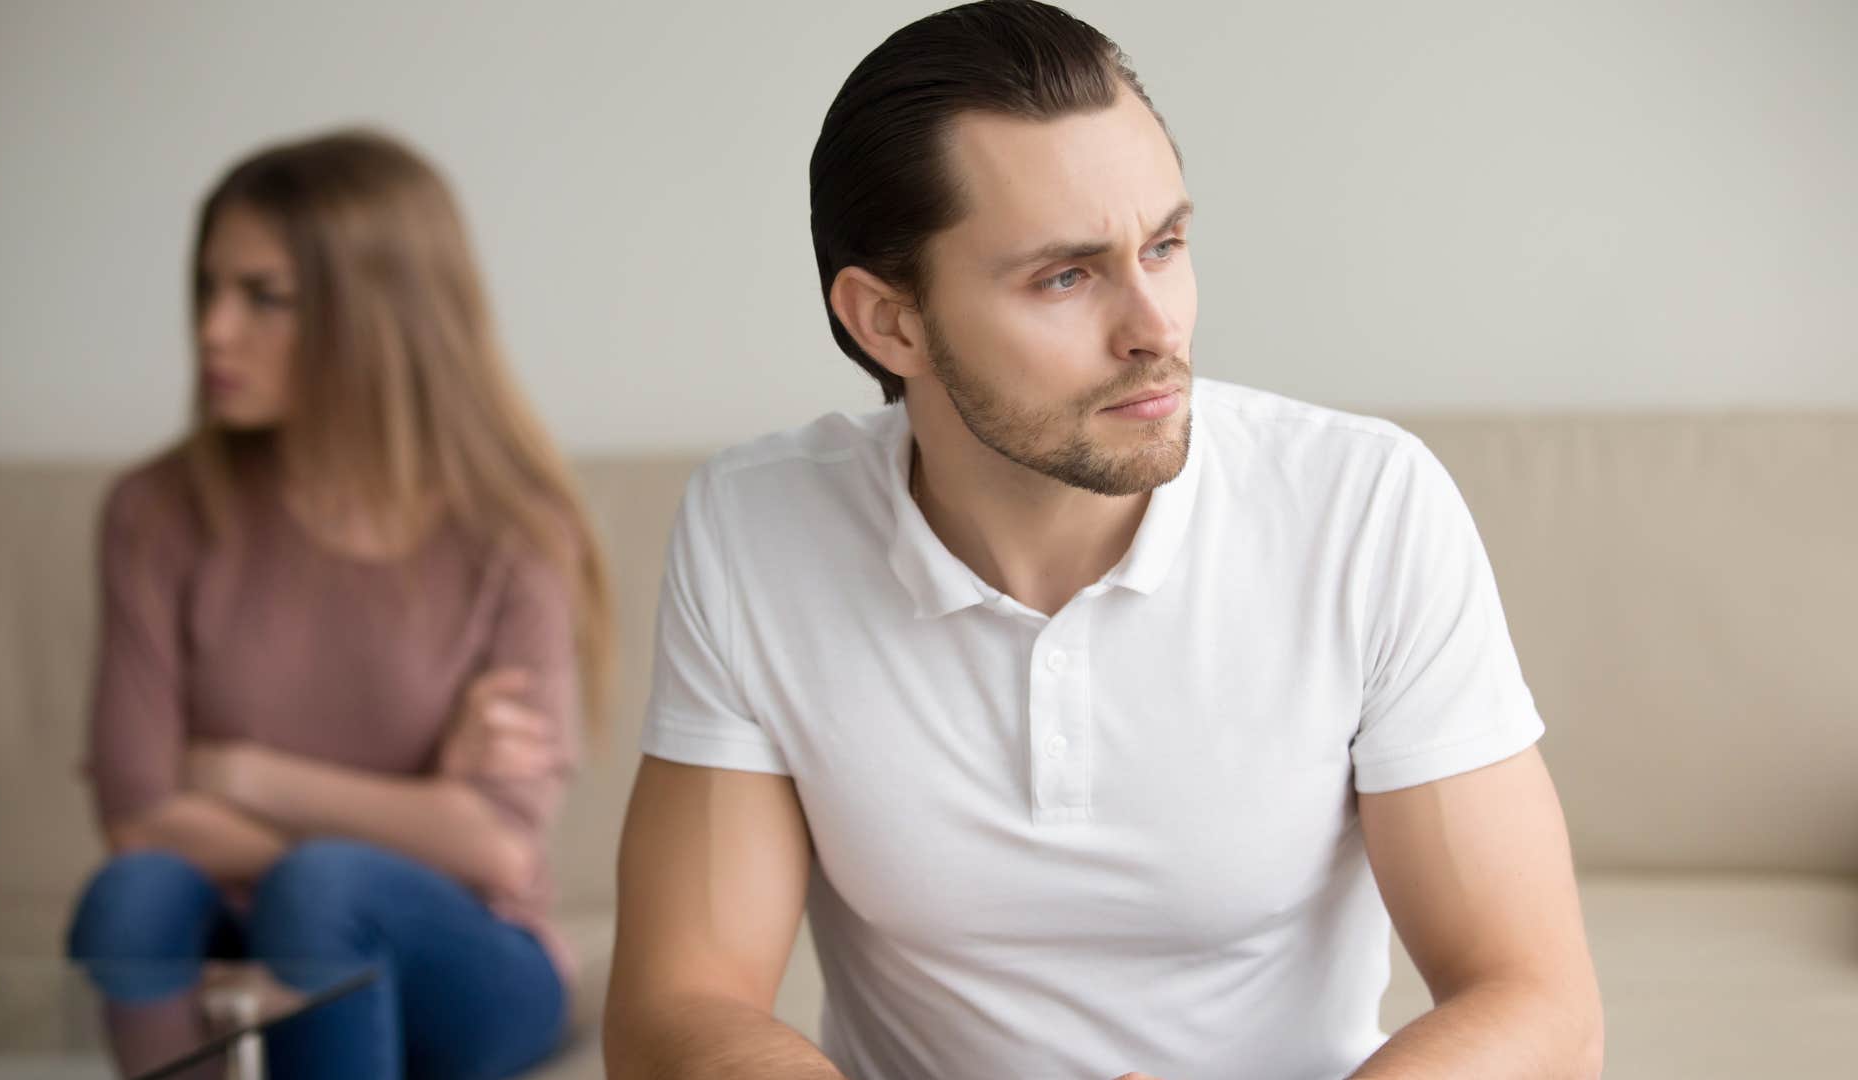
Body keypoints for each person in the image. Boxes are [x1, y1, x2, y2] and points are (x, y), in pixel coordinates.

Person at [603, 3, 1602, 1078]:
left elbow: (1539, 1006)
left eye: (1165, 246)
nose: (1156, 328)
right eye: (1066, 277)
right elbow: (678, 1008)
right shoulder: (756, 530)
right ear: (888, 322)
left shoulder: (1365, 508)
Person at [64, 129, 612, 1080]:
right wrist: (423, 808)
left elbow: (496, 853)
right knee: (135, 895)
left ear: (380, 316)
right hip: (241, 941)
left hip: (473, 963)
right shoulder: (156, 512)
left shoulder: (513, 537)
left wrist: (239, 773)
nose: (212, 330)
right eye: (208, 286)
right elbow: (140, 821)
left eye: (262, 297)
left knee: (323, 890)